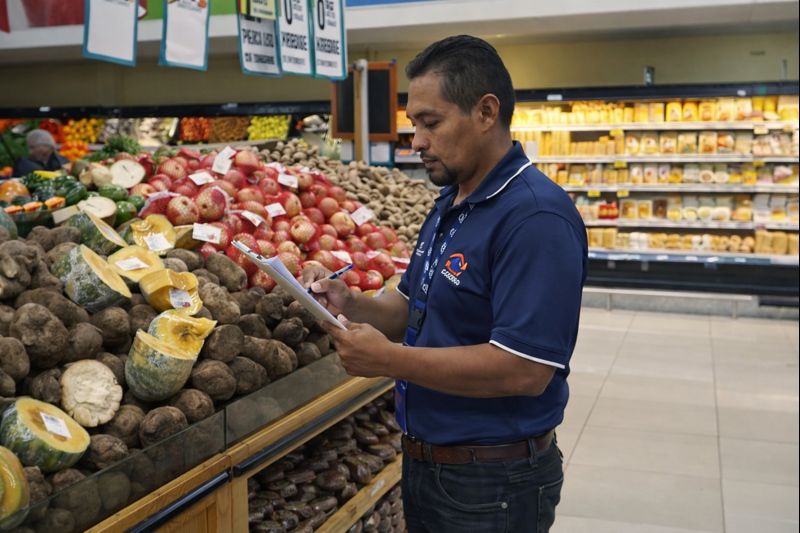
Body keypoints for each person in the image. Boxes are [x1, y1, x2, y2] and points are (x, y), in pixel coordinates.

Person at [302, 35, 587, 533]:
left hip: (494, 482)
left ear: (486, 112)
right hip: (430, 466)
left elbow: (524, 370)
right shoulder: (451, 203)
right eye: (414, 124)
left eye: (430, 123)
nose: (416, 142)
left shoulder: (535, 217)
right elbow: (409, 307)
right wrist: (351, 303)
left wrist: (390, 360)